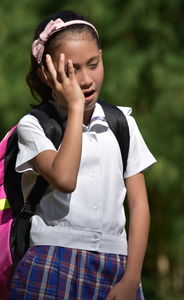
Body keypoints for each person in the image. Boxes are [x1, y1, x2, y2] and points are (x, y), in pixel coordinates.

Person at [9, 10, 156, 300]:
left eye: (93, 64)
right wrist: (76, 108)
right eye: (72, 69)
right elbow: (65, 178)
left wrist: (132, 278)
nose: (86, 79)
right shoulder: (34, 125)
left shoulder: (122, 123)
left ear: (102, 57)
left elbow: (139, 206)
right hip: (51, 261)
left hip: (117, 266)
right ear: (47, 73)